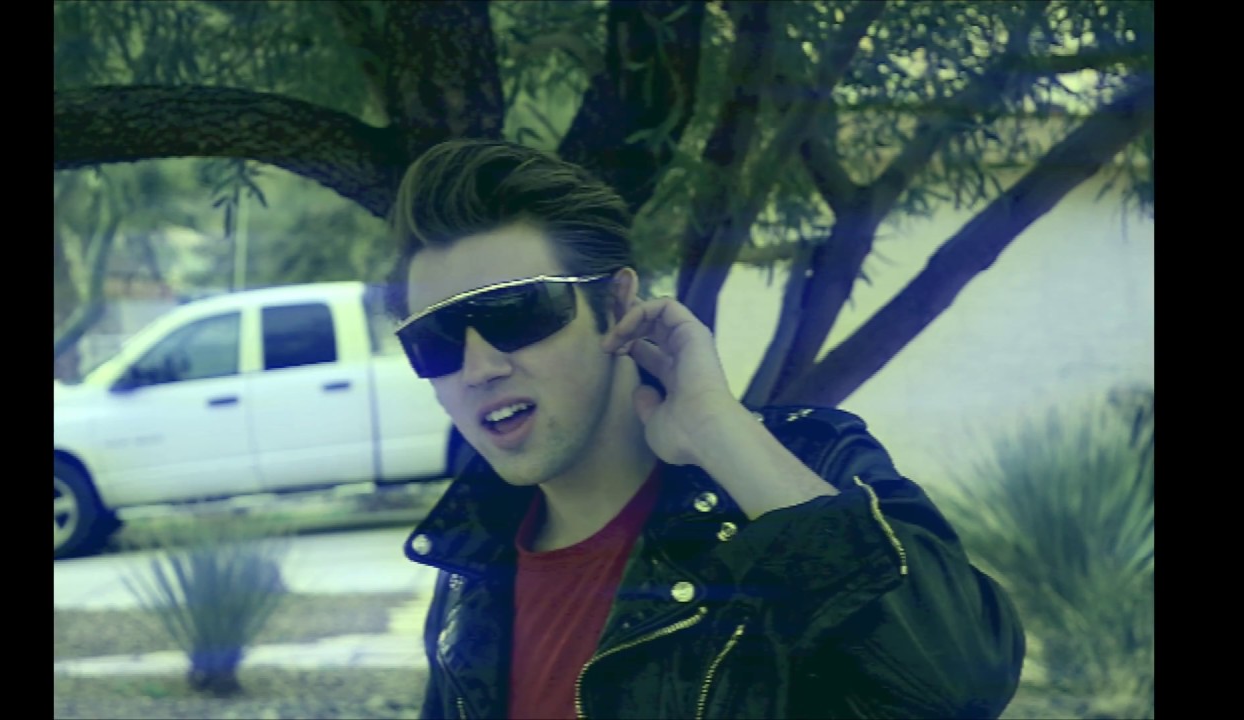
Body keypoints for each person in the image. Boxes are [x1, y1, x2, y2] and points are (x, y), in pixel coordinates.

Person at [385, 139, 1025, 720]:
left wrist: (720, 430)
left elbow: (959, 685)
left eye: (515, 313)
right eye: (436, 341)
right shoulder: (473, 564)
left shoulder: (805, 466)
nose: (479, 369)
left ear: (617, 303)